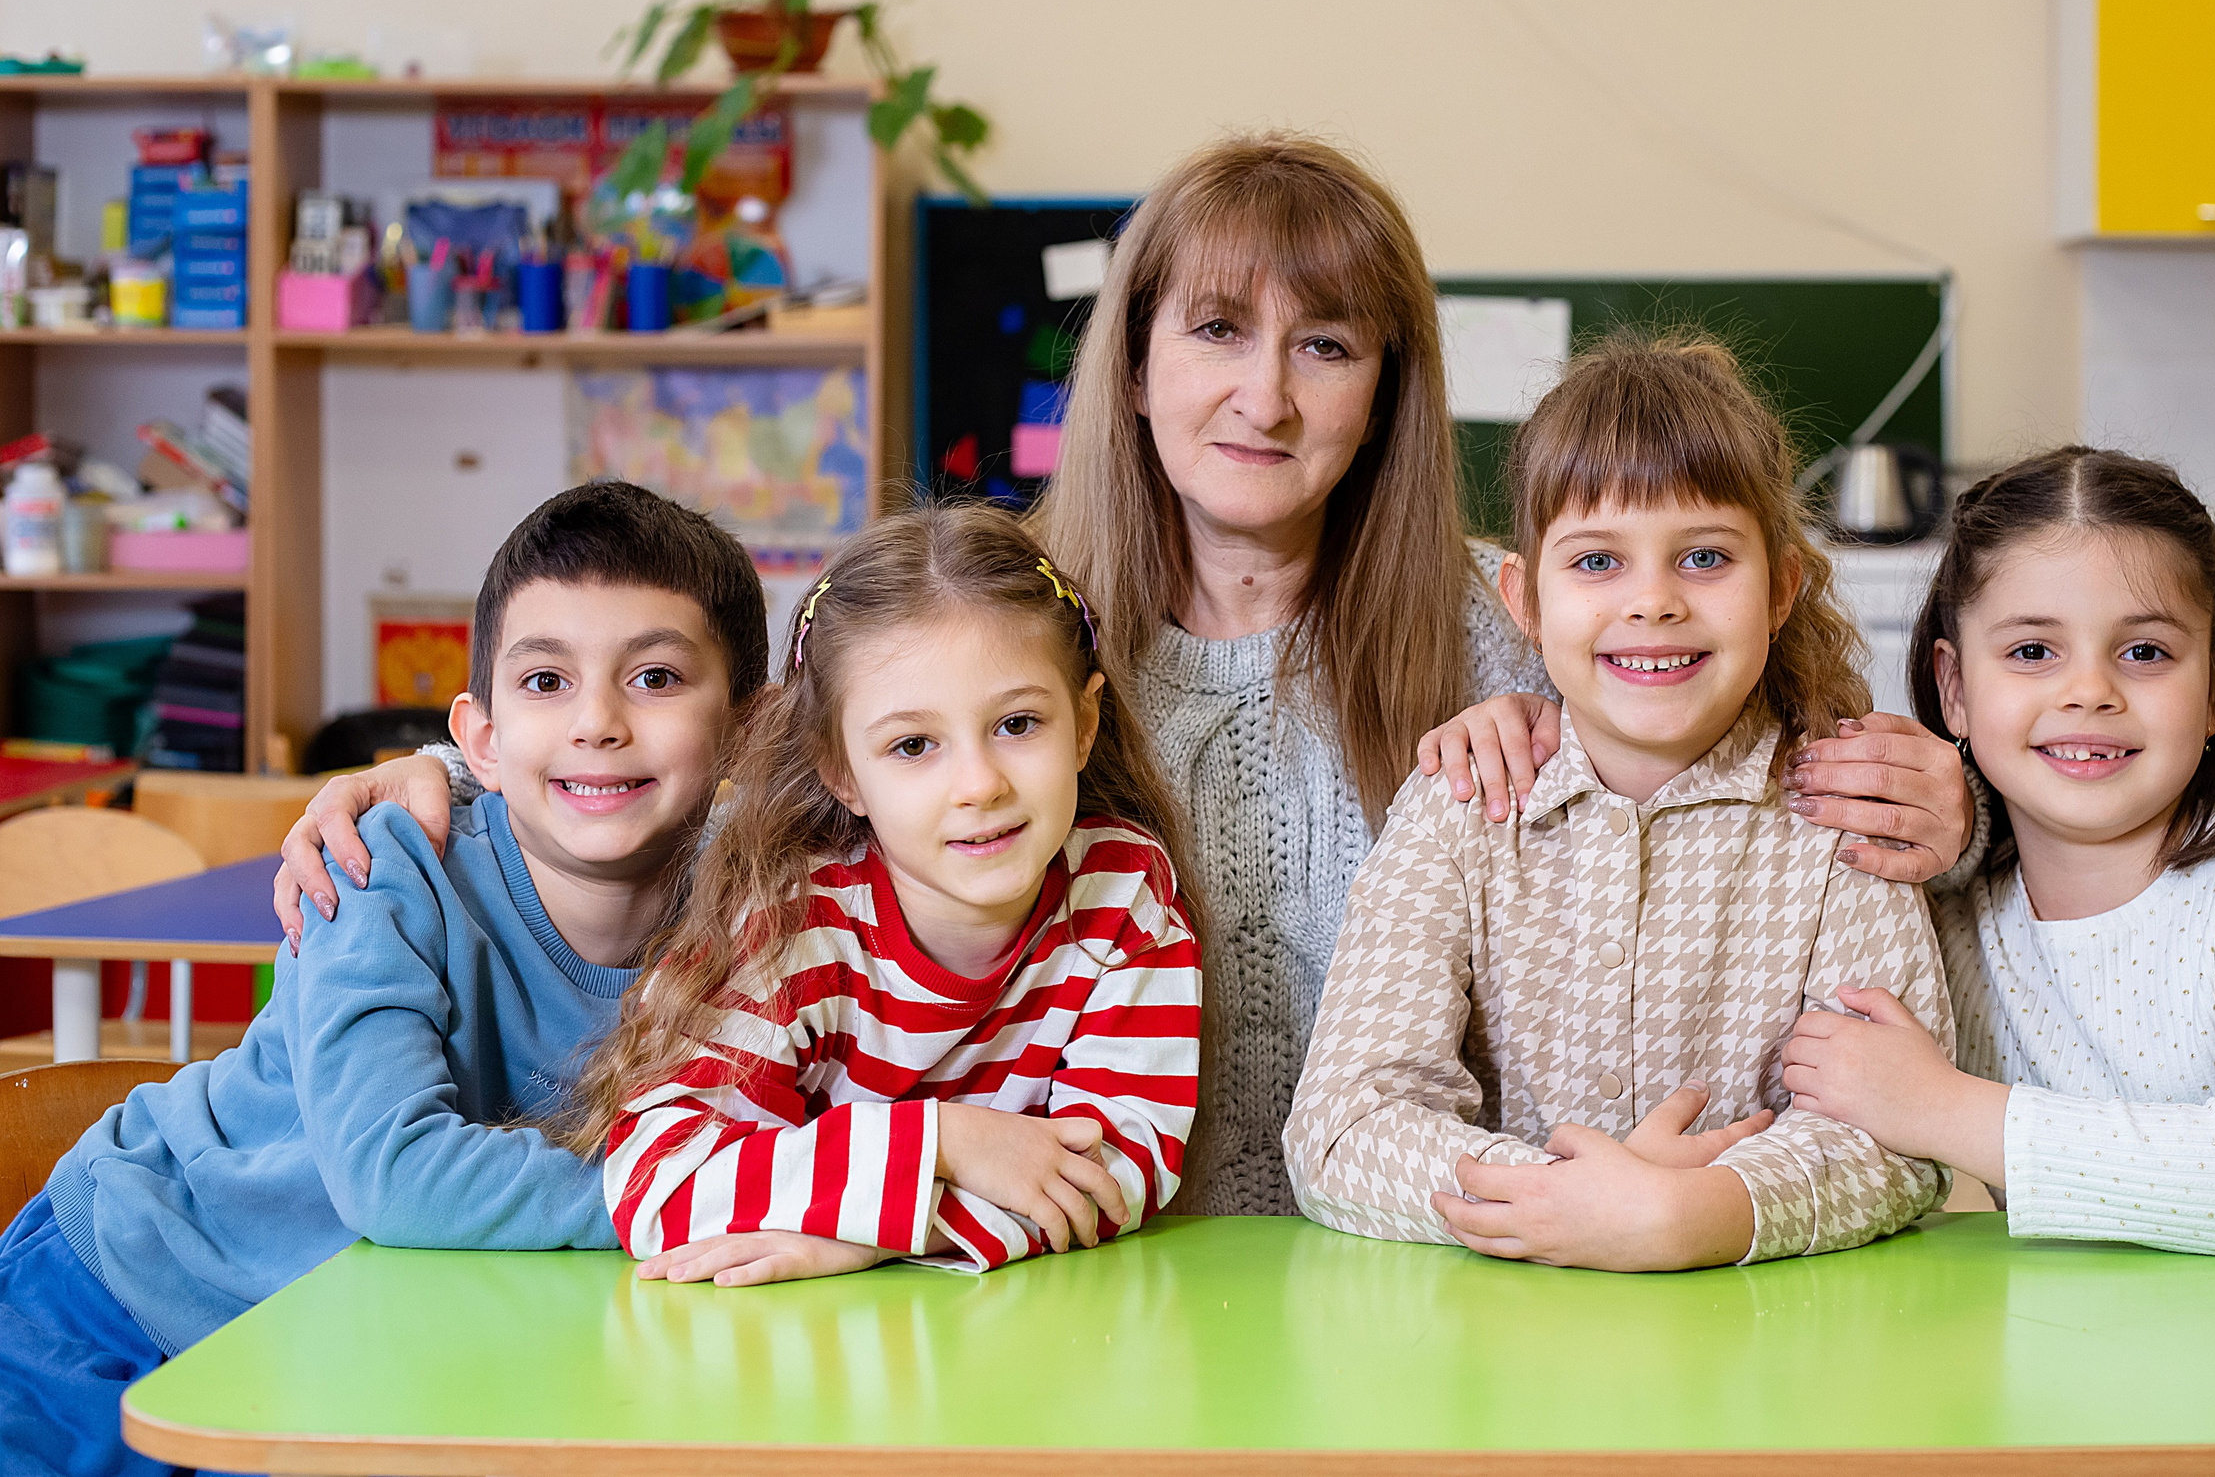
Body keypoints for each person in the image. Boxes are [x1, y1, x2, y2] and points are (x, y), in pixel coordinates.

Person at [275, 133, 1975, 1216]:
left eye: (1327, 344)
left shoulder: (1521, 620)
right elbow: (724, 792)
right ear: (1138, 360)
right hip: (1055, 1263)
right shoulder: (995, 629)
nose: (1266, 394)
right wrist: (443, 783)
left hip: (1429, 1265)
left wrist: (1960, 812)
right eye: (1218, 331)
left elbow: (1744, 787)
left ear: (1387, 389)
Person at [0, 480, 767, 1477]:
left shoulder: (767, 912)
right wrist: (745, 1191)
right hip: (118, 1299)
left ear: (751, 729)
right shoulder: (382, 866)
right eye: (545, 681)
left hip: (352, 1343)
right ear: (482, 738)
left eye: (656, 677)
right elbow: (395, 1176)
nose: (598, 722)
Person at [1286, 334, 1951, 1270]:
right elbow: (1342, 1129)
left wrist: (1696, 1212)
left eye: (1705, 557)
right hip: (1501, 1340)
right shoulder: (1458, 808)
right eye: (1598, 561)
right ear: (1524, 599)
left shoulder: (1840, 812)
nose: (1653, 601)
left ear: (1780, 589)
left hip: (1765, 1338)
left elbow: (1900, 1136)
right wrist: (1571, 1199)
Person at [1774, 447, 2215, 1280]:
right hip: (2131, 1345)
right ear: (1955, 687)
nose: (2090, 690)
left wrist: (1938, 1107)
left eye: (2145, 652)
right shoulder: (1947, 909)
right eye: (2033, 651)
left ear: (2214, 689)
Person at [580, 506, 1203, 1284]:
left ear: (1082, 723)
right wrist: (944, 1143)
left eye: (1017, 723)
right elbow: (656, 1181)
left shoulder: (1124, 896)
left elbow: (1115, 1169)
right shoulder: (794, 923)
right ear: (842, 772)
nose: (979, 784)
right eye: (913, 744)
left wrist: (874, 1236)